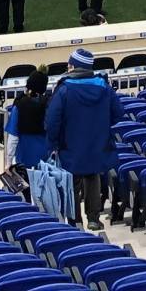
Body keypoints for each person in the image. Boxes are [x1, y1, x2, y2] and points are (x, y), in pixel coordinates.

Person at [44, 47, 123, 231]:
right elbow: (118, 113)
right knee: (93, 177)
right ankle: (94, 218)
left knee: (72, 182)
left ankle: (75, 220)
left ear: (73, 66)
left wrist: (53, 143)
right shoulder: (104, 87)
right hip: (96, 143)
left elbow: (52, 119)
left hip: (70, 144)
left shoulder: (64, 88)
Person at [8, 66, 53, 170]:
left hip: (24, 159)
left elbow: (13, 139)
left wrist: (8, 162)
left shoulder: (18, 107)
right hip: (47, 160)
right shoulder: (50, 106)